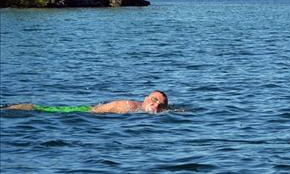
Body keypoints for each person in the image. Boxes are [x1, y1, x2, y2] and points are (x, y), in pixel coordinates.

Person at [2, 90, 168, 114]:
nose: (156, 105)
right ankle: (9, 108)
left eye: (160, 106)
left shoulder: (142, 111)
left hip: (88, 111)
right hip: (85, 111)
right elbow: (100, 111)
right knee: (44, 109)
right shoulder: (131, 106)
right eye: (154, 100)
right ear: (145, 98)